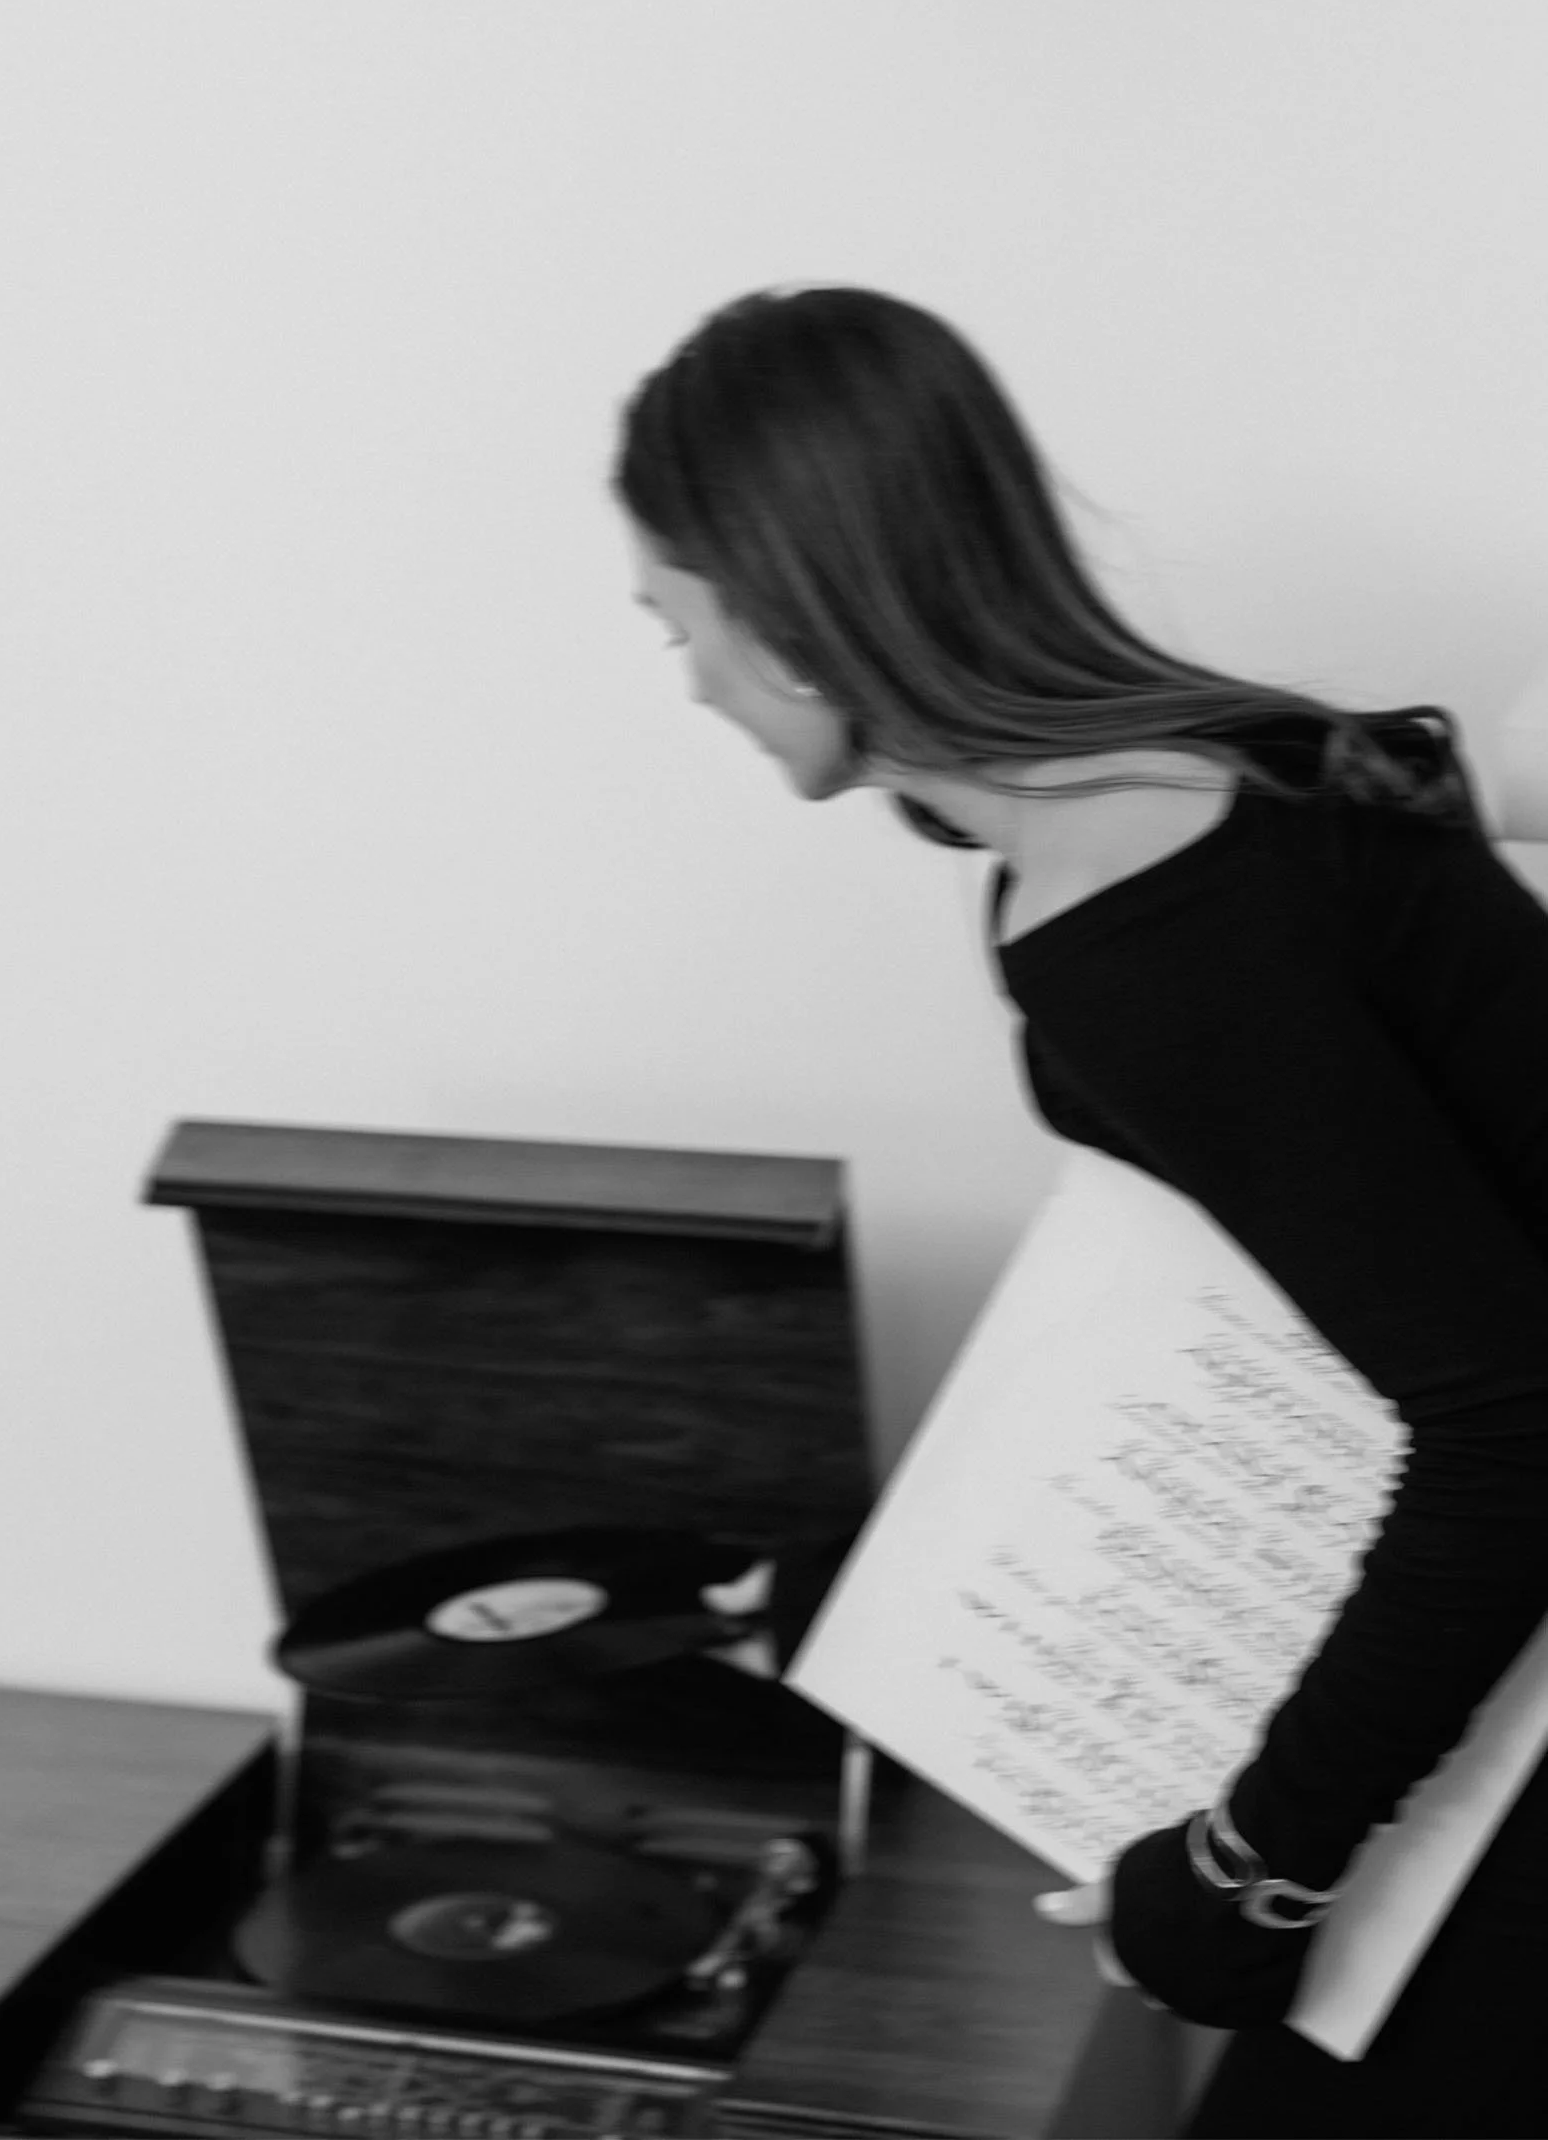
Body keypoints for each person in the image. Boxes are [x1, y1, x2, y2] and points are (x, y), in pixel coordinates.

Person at [609, 284, 1548, 2138]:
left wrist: (1241, 1873)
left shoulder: (1142, 927)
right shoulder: (1228, 771)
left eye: (681, 626)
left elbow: (1510, 1418)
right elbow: (1313, 1292)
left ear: (795, 622)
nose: (689, 684)